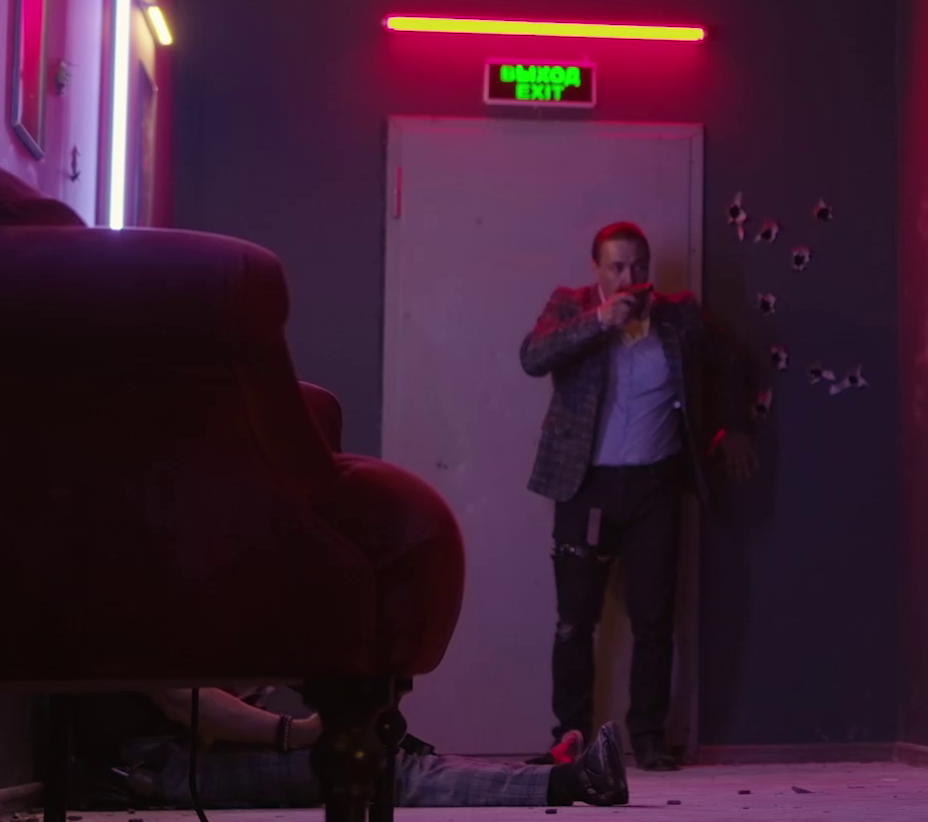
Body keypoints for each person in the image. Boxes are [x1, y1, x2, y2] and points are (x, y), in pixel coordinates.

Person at [520, 221, 757, 772]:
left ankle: (648, 737)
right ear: (597, 270)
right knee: (574, 621)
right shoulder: (572, 305)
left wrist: (734, 427)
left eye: (639, 266)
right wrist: (601, 320)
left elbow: (730, 361)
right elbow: (533, 357)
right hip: (585, 486)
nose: (630, 276)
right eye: (618, 267)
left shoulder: (677, 316)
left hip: (654, 487)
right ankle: (570, 740)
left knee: (654, 618)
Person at [69, 688, 626, 809]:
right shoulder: (122, 578)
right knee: (381, 774)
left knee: (387, 753)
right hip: (159, 763)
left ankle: (528, 775)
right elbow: (179, 698)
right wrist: (296, 733)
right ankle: (572, 781)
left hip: (178, 746)